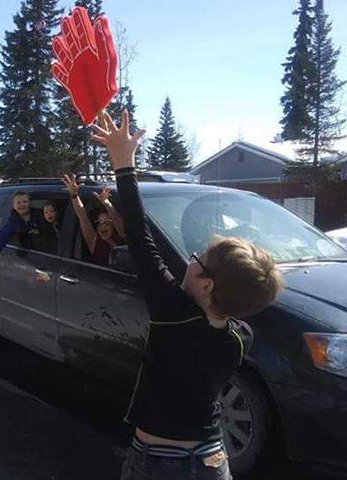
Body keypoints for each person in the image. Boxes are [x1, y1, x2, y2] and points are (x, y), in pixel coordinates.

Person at [90, 110, 284, 480]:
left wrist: (124, 164)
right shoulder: (239, 337)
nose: (189, 262)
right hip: (212, 461)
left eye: (198, 259)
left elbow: (141, 240)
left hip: (162, 465)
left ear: (207, 285)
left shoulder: (175, 316)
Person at [62, 174, 126, 267]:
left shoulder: (123, 240)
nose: (102, 226)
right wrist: (74, 196)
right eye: (99, 223)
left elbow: (119, 224)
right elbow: (82, 216)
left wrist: (107, 204)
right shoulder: (95, 242)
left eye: (107, 223)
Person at [0, 190, 39, 266]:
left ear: (30, 203)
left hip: (43, 254)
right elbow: (0, 238)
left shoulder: (39, 216)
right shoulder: (12, 222)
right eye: (18, 203)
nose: (22, 205)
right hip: (26, 259)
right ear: (14, 206)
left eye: (25, 201)